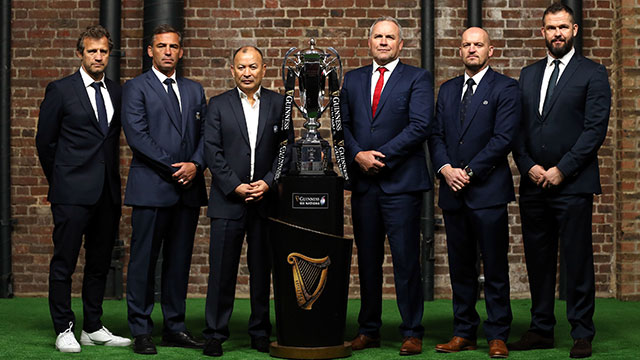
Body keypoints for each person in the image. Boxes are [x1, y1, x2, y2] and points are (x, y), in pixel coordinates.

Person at [510, 4, 611, 359]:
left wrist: (562, 169)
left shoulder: (593, 73)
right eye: (551, 28)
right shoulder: (528, 74)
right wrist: (527, 165)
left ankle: (582, 332)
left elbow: (594, 130)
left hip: (573, 183)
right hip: (534, 183)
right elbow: (517, 128)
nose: (557, 34)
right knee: (538, 259)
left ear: (574, 30)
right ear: (543, 32)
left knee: (577, 259)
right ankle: (540, 329)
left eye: (563, 27)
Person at [340, 16, 433, 356]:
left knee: (406, 261)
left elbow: (421, 125)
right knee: (367, 261)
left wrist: (379, 156)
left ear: (400, 44)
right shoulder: (352, 80)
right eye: (377, 37)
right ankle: (369, 329)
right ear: (369, 42)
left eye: (389, 37)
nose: (383, 42)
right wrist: (358, 155)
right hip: (364, 186)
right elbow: (342, 126)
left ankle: (412, 330)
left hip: (401, 185)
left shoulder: (417, 78)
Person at [35, 25, 131, 353]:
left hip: (107, 193)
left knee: (99, 261)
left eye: (104, 51)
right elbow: (44, 142)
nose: (98, 57)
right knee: (65, 261)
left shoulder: (117, 92)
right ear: (81, 53)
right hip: (71, 193)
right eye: (92, 51)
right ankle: (64, 327)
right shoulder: (61, 90)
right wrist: (62, 180)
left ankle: (92, 325)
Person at [428, 27, 520, 359]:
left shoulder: (506, 88)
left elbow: (503, 138)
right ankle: (463, 331)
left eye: (478, 45)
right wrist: (445, 169)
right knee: (460, 268)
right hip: (453, 192)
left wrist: (468, 172)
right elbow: (435, 136)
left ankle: (497, 334)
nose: (471, 49)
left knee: (494, 267)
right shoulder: (448, 90)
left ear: (490, 50)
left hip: (488, 192)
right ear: (460, 51)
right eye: (466, 45)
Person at [121, 24, 208, 355]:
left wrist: (196, 165)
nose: (168, 51)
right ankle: (141, 329)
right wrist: (177, 167)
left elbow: (205, 137)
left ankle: (174, 326)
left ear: (181, 52)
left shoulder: (195, 90)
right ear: (150, 51)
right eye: (161, 46)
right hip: (152, 187)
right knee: (144, 260)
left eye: (173, 46)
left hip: (188, 190)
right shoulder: (136, 88)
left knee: (178, 261)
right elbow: (138, 137)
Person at [200, 46, 283, 357]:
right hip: (227, 201)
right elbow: (212, 150)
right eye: (241, 67)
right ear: (231, 71)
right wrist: (234, 186)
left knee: (262, 270)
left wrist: (269, 181)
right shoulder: (218, 105)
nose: (247, 72)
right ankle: (215, 334)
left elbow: (285, 150)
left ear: (263, 69)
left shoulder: (278, 104)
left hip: (265, 201)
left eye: (253, 67)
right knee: (221, 271)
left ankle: (260, 332)